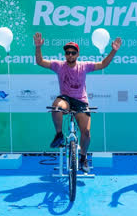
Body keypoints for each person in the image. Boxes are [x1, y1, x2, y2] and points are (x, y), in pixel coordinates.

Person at [34, 32, 122, 173]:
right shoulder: (58, 65)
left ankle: (83, 157)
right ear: (65, 54)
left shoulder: (84, 66)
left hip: (81, 101)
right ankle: (59, 135)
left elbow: (103, 64)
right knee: (57, 107)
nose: (70, 55)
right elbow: (40, 61)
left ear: (77, 54)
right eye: (67, 52)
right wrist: (38, 47)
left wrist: (114, 50)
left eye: (73, 53)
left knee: (86, 132)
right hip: (66, 99)